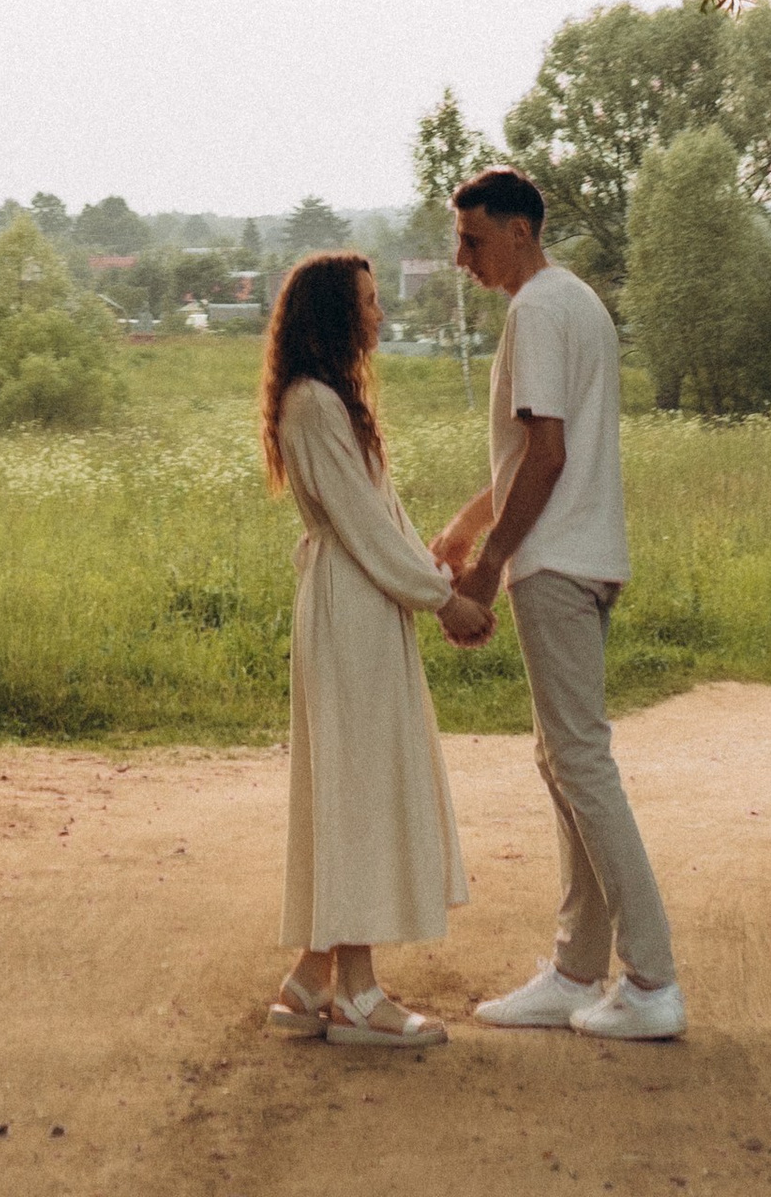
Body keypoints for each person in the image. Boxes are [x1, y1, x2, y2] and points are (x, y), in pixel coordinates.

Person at [432, 164, 687, 1041]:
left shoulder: (537, 309)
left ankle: (650, 981)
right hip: (585, 553)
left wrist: (488, 562)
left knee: (579, 761)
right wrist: (470, 526)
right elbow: (529, 450)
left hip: (555, 560)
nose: (461, 258)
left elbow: (546, 454)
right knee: (563, 758)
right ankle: (578, 968)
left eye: (471, 239)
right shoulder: (575, 301)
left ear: (517, 231)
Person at [261, 247, 494, 1048]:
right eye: (367, 301)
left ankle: (307, 981)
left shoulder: (329, 400)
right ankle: (356, 993)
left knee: (353, 781)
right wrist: (444, 600)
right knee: (357, 787)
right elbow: (361, 529)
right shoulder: (314, 405)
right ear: (334, 312)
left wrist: (434, 574)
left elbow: (380, 513)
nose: (380, 314)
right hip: (350, 605)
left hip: (365, 603)